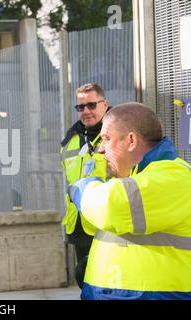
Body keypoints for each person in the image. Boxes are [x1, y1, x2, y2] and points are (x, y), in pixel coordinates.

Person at [69, 103, 191, 299]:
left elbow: (110, 206)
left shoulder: (173, 176)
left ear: (131, 140)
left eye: (107, 139)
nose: (101, 149)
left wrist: (82, 187)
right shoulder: (134, 177)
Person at [60, 83, 110, 288]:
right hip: (79, 225)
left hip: (108, 224)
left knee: (107, 284)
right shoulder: (70, 140)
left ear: (104, 104)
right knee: (85, 281)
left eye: (91, 105)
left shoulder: (115, 134)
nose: (86, 111)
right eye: (81, 107)